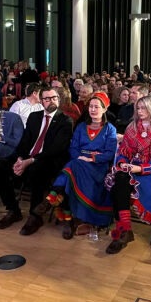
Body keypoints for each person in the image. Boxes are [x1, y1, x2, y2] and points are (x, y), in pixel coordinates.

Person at [0, 87, 74, 235]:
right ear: (41, 102)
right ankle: (13, 210)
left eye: (54, 97)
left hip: (49, 161)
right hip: (28, 158)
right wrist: (19, 159)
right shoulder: (34, 117)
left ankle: (35, 216)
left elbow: (56, 149)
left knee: (37, 168)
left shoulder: (65, 120)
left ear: (58, 99)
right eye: (47, 99)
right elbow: (25, 142)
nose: (51, 101)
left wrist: (29, 161)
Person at [37, 91, 118, 238]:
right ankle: (69, 219)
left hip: (98, 167)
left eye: (97, 107)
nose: (92, 110)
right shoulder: (81, 127)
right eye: (90, 106)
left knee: (71, 168)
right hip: (80, 162)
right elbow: (73, 147)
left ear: (105, 109)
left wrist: (91, 158)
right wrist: (82, 157)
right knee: (74, 167)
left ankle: (53, 197)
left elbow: (109, 154)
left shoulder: (110, 129)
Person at [105, 97, 151, 254]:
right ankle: (125, 230)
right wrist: (122, 163)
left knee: (120, 182)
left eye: (143, 108)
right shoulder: (132, 128)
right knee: (120, 177)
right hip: (131, 170)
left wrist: (140, 168)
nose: (139, 111)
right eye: (138, 108)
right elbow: (123, 152)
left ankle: (123, 232)